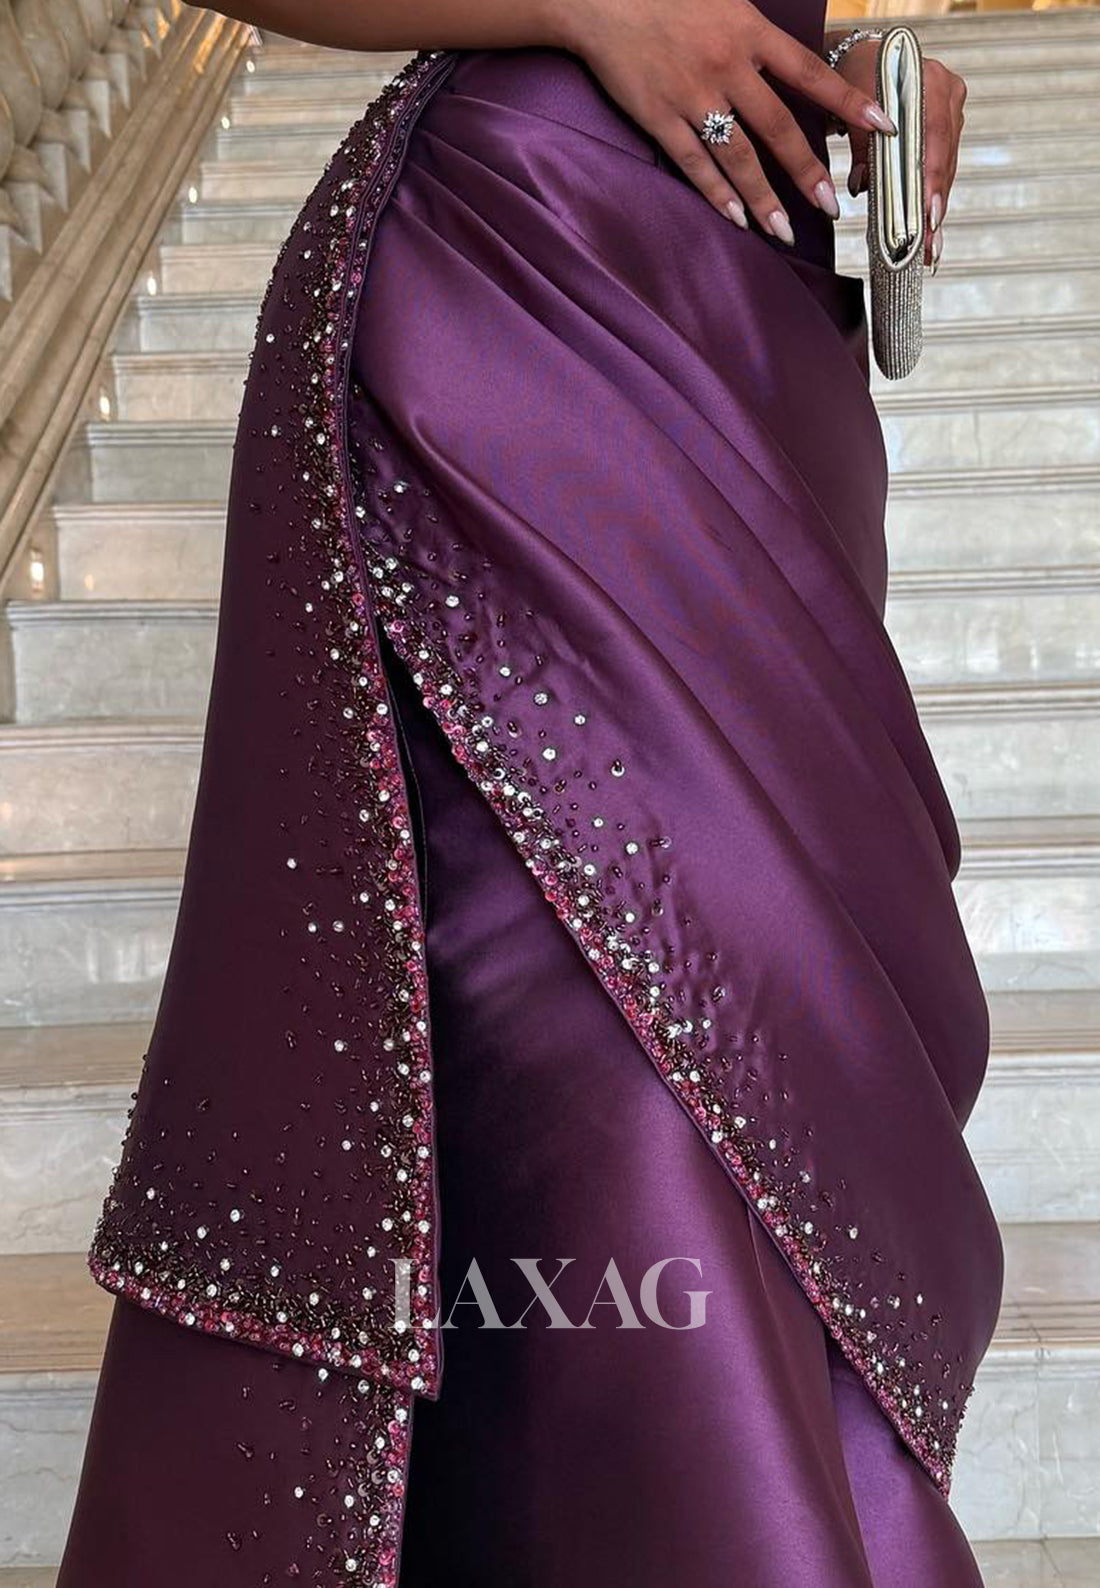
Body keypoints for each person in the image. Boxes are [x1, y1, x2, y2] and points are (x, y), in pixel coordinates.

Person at [57, 2, 1002, 1584]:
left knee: (769, 1037)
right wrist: (585, 3)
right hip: (517, 280)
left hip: (750, 316)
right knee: (617, 1055)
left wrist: (850, 58)